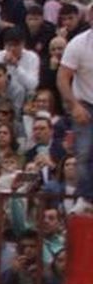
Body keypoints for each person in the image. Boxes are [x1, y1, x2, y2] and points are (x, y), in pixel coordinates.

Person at [58, 23, 93, 211]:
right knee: (84, 151)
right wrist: (74, 105)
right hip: (85, 103)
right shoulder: (78, 43)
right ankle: (86, 198)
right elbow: (62, 77)